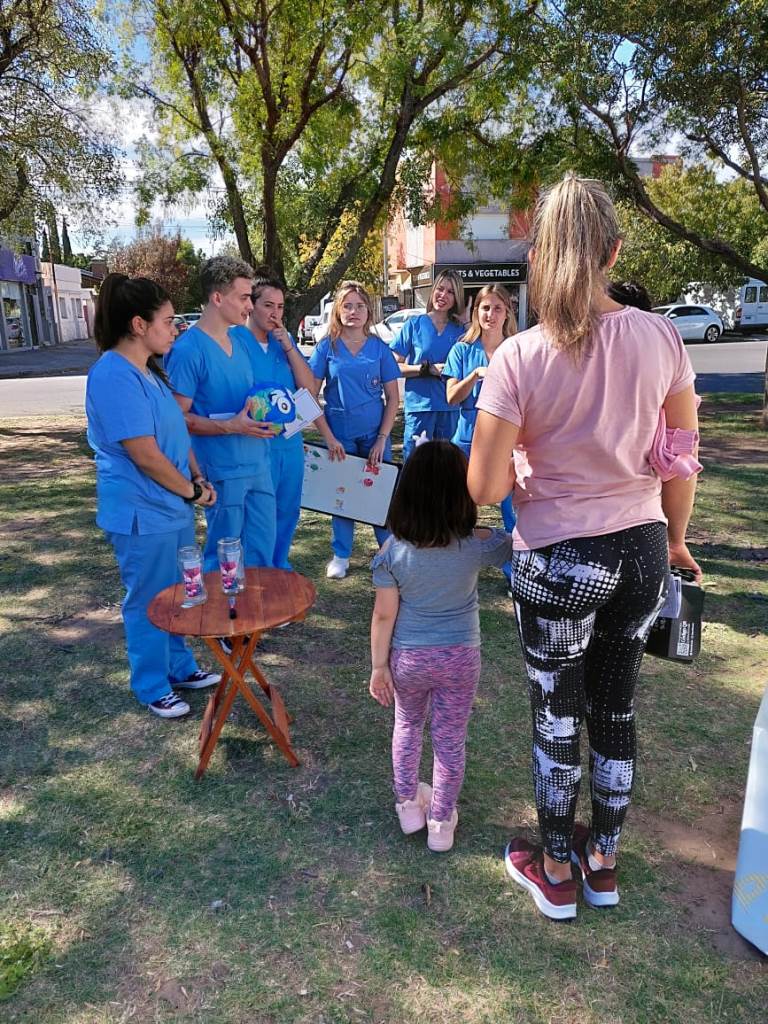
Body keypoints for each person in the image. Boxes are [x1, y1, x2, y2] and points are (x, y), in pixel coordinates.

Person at [468, 173, 701, 920]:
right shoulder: (661, 335)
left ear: (540, 256)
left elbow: (482, 485)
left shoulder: (518, 358)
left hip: (558, 557)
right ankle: (605, 862)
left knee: (556, 714)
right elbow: (681, 456)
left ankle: (556, 869)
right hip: (641, 550)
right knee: (617, 706)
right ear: (614, 250)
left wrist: (527, 468)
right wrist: (679, 540)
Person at [85, 274, 221, 719]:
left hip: (174, 507)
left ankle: (179, 667)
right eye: (167, 320)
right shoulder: (112, 375)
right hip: (143, 512)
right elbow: (144, 454)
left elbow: (175, 433)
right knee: (148, 598)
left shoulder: (151, 371)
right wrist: (191, 491)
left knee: (182, 591)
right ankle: (150, 683)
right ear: (139, 324)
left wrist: (198, 476)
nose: (175, 328)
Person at [369, 440, 513, 852]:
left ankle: (408, 808)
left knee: (407, 727)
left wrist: (379, 667)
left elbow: (382, 617)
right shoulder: (477, 544)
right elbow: (514, 542)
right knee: (450, 740)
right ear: (462, 491)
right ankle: (440, 824)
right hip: (461, 658)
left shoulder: (392, 552)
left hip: (408, 658)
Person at [165, 256, 277, 577]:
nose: (249, 306)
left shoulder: (239, 342)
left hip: (258, 465)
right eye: (243, 298)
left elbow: (243, 398)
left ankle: (253, 625)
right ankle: (221, 625)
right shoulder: (189, 350)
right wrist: (230, 426)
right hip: (224, 472)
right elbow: (175, 419)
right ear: (217, 298)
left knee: (261, 556)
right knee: (224, 559)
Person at [231, 269, 337, 569]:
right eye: (268, 305)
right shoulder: (235, 340)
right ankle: (256, 574)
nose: (275, 313)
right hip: (255, 443)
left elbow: (308, 389)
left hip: (289, 443)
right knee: (258, 515)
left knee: (287, 510)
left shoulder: (284, 340)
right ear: (251, 305)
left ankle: (279, 567)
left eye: (280, 307)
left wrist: (289, 346)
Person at [308, 281, 401, 580]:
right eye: (347, 305)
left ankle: (388, 550)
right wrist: (328, 437)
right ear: (337, 310)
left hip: (375, 436)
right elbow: (309, 395)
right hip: (339, 436)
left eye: (359, 306)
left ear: (368, 311)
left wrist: (382, 439)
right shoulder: (327, 348)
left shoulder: (379, 349)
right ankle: (341, 554)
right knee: (342, 495)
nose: (353, 311)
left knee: (378, 495)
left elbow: (393, 398)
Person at [443, 283, 517, 588]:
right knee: (461, 506)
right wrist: (474, 376)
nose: (491, 314)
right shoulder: (462, 350)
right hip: (466, 440)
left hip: (508, 442)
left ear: (507, 313)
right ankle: (457, 567)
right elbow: (451, 397)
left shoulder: (516, 349)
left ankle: (516, 569)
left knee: (512, 508)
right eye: (485, 308)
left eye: (498, 308)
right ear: (476, 313)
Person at [390, 270, 467, 461]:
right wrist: (425, 369)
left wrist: (467, 324)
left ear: (457, 297)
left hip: (450, 409)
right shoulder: (414, 325)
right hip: (420, 408)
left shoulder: (461, 330)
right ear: (433, 291)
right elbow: (392, 367)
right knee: (416, 465)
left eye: (450, 292)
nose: (443, 295)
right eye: (440, 289)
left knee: (447, 467)